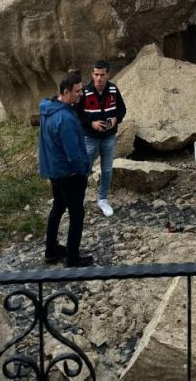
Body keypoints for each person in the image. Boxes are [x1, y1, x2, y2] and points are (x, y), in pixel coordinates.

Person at [38, 72, 93, 267]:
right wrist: (84, 170)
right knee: (77, 214)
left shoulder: (47, 109)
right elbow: (74, 153)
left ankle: (51, 250)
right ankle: (73, 258)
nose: (81, 94)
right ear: (66, 91)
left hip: (54, 171)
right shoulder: (66, 118)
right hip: (69, 174)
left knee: (58, 207)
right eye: (77, 91)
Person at [78, 60, 126, 218]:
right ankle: (79, 201)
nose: (99, 78)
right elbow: (77, 115)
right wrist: (91, 123)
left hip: (108, 137)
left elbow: (122, 109)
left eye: (102, 75)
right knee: (84, 170)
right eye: (96, 74)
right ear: (92, 74)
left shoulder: (113, 89)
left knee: (106, 170)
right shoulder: (84, 92)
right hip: (89, 138)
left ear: (108, 74)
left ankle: (102, 199)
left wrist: (115, 120)